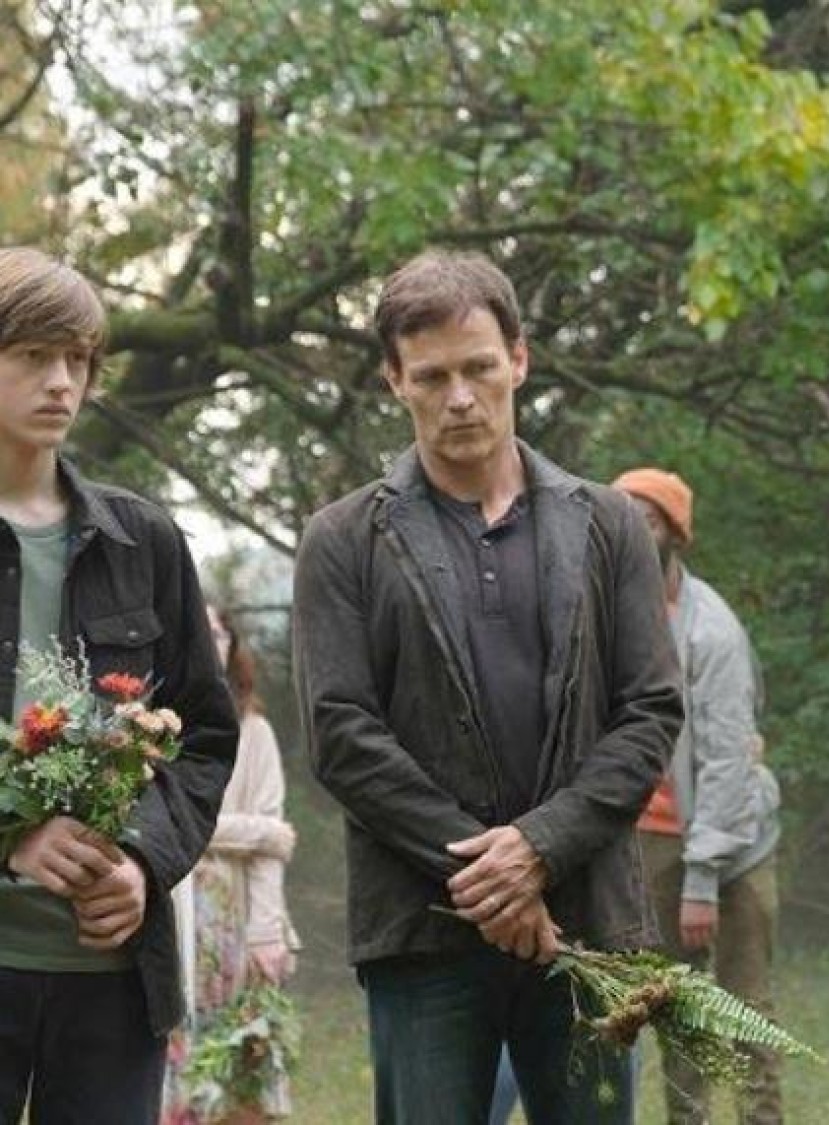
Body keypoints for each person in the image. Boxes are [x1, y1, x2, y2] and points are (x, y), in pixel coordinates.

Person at [292, 248, 682, 1125]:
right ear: (394, 379)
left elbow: (649, 711)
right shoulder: (342, 539)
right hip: (422, 927)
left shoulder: (612, 525)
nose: (460, 396)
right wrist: (488, 876)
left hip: (586, 918)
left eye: (478, 367)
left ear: (519, 359)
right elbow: (342, 733)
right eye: (432, 376)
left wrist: (539, 849)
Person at [0, 246, 239, 1124]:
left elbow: (204, 739)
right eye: (34, 355)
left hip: (111, 977)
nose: (62, 381)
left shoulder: (146, 542)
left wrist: (143, 859)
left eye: (79, 358)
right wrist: (12, 838)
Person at [613, 467, 782, 1125]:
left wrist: (704, 878)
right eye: (621, 515)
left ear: (674, 534)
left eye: (647, 519)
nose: (632, 530)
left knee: (745, 1009)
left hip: (733, 843)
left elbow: (726, 760)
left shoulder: (712, 630)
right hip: (648, 839)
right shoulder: (600, 616)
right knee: (675, 1007)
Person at [163, 605, 299, 1124]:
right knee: (175, 1073)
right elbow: (163, 816)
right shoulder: (152, 726)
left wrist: (266, 932)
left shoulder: (255, 731)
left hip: (236, 924)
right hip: (172, 922)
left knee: (243, 1073)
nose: (212, 640)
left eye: (220, 632)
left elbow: (268, 855)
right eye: (201, 630)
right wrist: (260, 832)